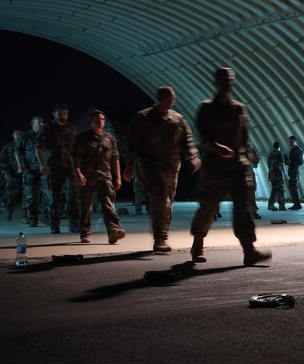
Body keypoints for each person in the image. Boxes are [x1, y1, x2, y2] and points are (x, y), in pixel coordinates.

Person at [189, 67, 271, 266]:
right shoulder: (207, 108)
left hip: (237, 167)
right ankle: (197, 244)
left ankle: (248, 249)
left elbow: (244, 138)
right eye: (223, 80)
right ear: (216, 82)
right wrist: (216, 147)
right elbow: (203, 136)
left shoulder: (239, 108)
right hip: (215, 167)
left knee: (243, 209)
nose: (227, 83)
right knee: (208, 207)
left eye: (230, 79)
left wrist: (246, 158)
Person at [124, 86, 202, 253]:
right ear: (159, 98)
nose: (171, 101)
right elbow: (133, 143)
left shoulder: (178, 119)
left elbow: (187, 140)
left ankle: (161, 231)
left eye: (173, 98)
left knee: (167, 199)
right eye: (168, 98)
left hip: (172, 166)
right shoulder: (144, 117)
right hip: (150, 165)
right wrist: (130, 165)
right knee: (161, 198)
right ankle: (161, 237)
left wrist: (194, 156)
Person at [72, 110, 126, 245]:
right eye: (96, 119)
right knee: (86, 206)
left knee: (109, 205)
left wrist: (118, 176)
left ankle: (114, 230)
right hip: (87, 177)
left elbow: (115, 158)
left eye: (102, 119)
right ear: (91, 122)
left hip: (105, 176)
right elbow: (76, 158)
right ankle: (85, 233)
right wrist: (78, 173)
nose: (100, 122)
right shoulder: (83, 138)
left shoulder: (110, 139)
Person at [37, 103, 79, 234]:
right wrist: (43, 164)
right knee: (54, 197)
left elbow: (75, 150)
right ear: (54, 114)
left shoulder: (71, 129)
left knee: (73, 196)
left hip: (69, 167)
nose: (63, 116)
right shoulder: (47, 128)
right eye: (60, 113)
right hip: (53, 167)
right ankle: (54, 225)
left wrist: (78, 168)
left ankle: (74, 224)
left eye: (65, 113)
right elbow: (39, 147)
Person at [15, 116, 45, 227]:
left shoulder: (44, 136)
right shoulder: (25, 136)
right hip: (30, 169)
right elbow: (17, 151)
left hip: (43, 169)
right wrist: (20, 166)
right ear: (33, 124)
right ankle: (32, 218)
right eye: (39, 123)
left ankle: (46, 216)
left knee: (46, 195)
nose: (41, 125)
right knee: (31, 195)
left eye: (42, 123)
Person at [1, 129, 23, 222]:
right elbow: (2, 160)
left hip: (26, 173)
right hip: (13, 174)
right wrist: (5, 172)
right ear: (13, 135)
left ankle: (25, 216)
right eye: (16, 134)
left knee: (27, 195)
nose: (18, 135)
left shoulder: (26, 145)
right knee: (11, 195)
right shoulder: (8, 147)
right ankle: (9, 210)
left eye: (20, 134)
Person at [285, 135, 304, 210]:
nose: (291, 143)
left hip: (295, 171)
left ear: (295, 141)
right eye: (290, 142)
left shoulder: (298, 150)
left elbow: (301, 162)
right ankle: (296, 203)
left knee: (293, 188)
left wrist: (291, 162)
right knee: (292, 187)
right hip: (292, 171)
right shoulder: (292, 150)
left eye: (292, 141)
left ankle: (297, 204)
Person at [266, 141, 286, 211]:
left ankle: (271, 204)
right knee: (281, 190)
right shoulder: (279, 154)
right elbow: (281, 164)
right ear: (279, 147)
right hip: (278, 174)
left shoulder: (270, 154)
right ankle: (282, 206)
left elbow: (268, 165)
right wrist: (285, 174)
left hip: (272, 175)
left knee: (274, 190)